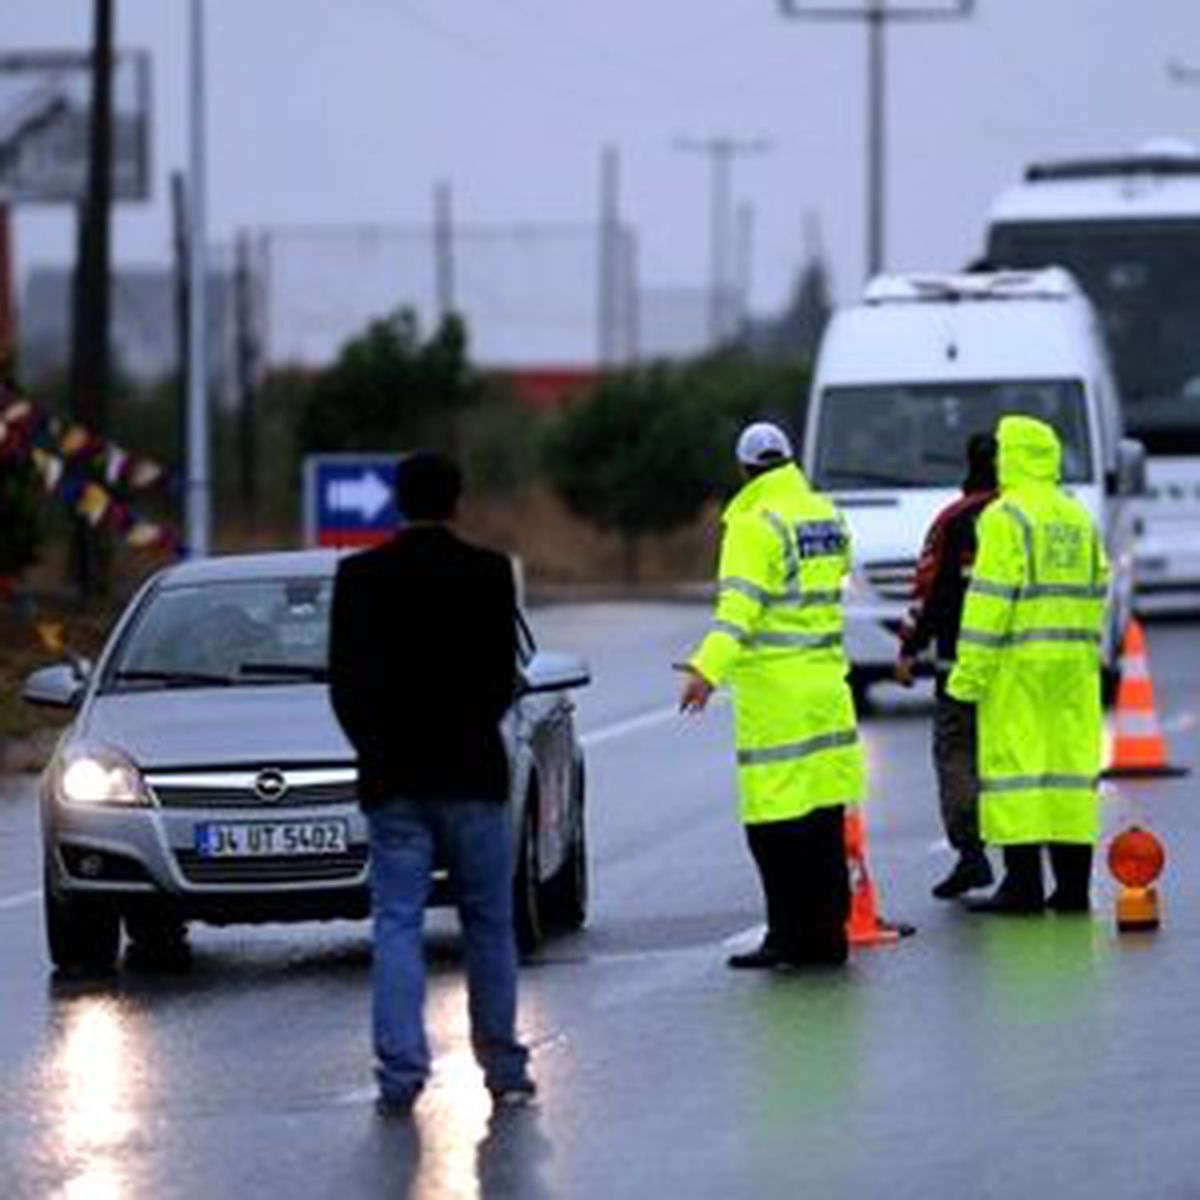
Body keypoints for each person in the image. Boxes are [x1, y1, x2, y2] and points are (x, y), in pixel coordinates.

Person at [328, 450, 535, 1116]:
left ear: (398, 502)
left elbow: (345, 685)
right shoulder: (488, 573)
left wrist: (377, 747)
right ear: (457, 502)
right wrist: (468, 728)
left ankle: (400, 1072)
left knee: (396, 923)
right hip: (472, 774)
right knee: (488, 924)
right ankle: (502, 1065)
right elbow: (501, 679)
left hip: (394, 779)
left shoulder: (360, 578)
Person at [678, 421, 866, 968]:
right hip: (827, 688)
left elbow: (738, 611)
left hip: (777, 697)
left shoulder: (753, 524)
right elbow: (835, 578)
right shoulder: (826, 514)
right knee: (824, 819)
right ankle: (829, 938)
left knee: (773, 826)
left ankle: (787, 937)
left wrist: (705, 670)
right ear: (788, 459)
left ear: (744, 469)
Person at [947, 415, 1109, 914]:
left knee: (1017, 773)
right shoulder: (1076, 516)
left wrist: (967, 678)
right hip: (1074, 669)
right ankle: (1073, 887)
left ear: (1013, 457)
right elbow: (1099, 586)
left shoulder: (1004, 517)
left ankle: (1023, 886)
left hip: (1017, 668)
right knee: (1068, 773)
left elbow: (989, 604)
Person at [895, 433, 998, 900]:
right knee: (1015, 760)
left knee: (957, 755)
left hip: (959, 664)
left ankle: (972, 855)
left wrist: (908, 648)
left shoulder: (953, 521)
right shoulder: (1028, 516)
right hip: (1021, 668)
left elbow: (929, 590)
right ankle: (1027, 866)